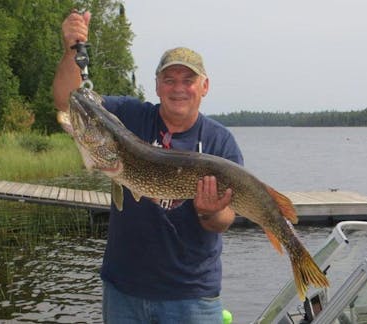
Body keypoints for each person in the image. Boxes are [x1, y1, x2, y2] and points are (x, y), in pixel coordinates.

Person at [53, 10, 244, 324]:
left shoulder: (220, 143)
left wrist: (210, 211)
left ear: (205, 86)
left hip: (191, 296)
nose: (178, 88)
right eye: (169, 80)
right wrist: (72, 50)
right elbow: (68, 101)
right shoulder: (129, 115)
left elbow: (223, 221)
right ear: (157, 86)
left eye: (188, 80)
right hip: (123, 290)